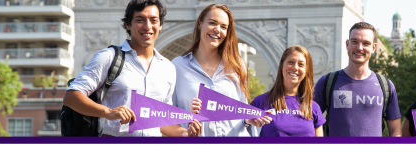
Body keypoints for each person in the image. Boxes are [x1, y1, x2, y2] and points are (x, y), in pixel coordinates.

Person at [63, 0, 202, 137]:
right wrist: (108, 112)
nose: (147, 26)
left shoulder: (168, 68)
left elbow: (161, 119)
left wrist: (185, 133)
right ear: (128, 24)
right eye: (140, 20)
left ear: (160, 25)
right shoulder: (109, 57)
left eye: (154, 20)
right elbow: (71, 96)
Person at [171, 4, 272, 137]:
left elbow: (242, 110)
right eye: (212, 23)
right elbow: (167, 118)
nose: (217, 30)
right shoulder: (176, 67)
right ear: (200, 24)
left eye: (223, 27)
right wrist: (185, 132)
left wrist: (249, 119)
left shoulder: (238, 66)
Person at [313, 22, 402, 137]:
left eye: (366, 43)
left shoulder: (386, 86)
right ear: (347, 44)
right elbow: (308, 122)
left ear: (373, 48)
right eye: (354, 42)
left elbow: (395, 132)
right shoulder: (327, 82)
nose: (359, 48)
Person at [250, 46, 325, 137]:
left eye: (301, 64)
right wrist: (246, 121)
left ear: (306, 71)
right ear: (282, 66)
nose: (295, 67)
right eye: (291, 62)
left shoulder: (314, 107)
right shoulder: (260, 102)